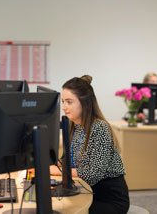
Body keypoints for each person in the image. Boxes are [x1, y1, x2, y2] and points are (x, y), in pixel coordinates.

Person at [52, 75, 130, 214]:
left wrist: (54, 170)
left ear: (85, 103)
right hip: (87, 191)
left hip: (108, 199)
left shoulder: (99, 128)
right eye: (63, 102)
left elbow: (91, 174)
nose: (64, 107)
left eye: (69, 102)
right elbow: (67, 160)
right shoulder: (73, 126)